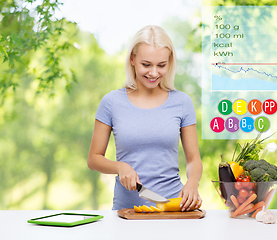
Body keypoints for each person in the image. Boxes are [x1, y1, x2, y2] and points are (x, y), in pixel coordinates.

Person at [87, 25, 203, 211]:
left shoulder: (182, 102)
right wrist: (120, 167)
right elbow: (93, 159)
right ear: (132, 59)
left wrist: (193, 183)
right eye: (146, 64)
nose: (154, 73)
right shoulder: (111, 102)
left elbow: (193, 159)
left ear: (170, 62)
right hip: (127, 211)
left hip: (174, 207)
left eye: (161, 65)